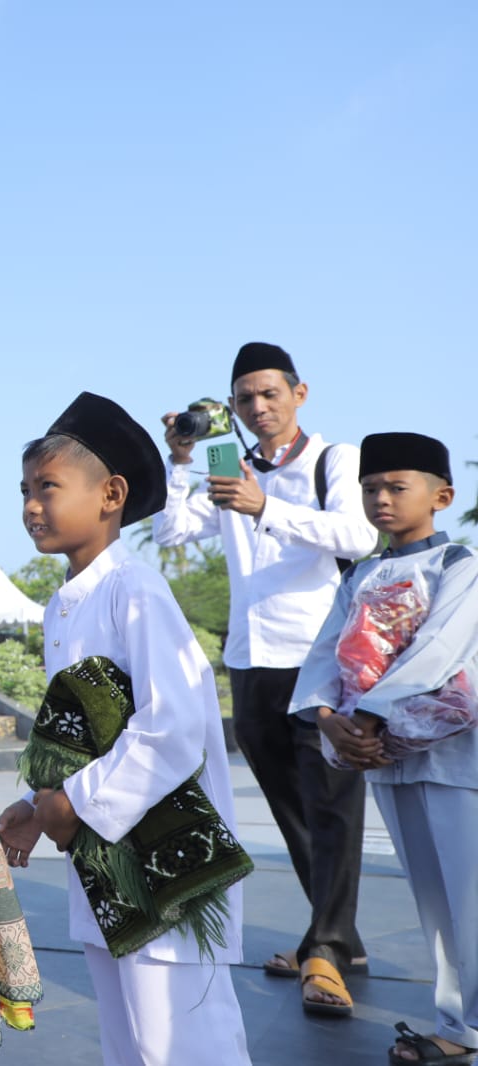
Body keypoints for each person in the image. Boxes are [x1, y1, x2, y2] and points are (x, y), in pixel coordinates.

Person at [0, 392, 252, 1066]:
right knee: (133, 1044)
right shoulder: (63, 605)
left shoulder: (132, 587)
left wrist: (74, 801)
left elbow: (175, 724)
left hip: (168, 862)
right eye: (23, 490)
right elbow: (80, 740)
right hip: (107, 864)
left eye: (47, 487)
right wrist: (35, 806)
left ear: (110, 494)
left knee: (186, 1044)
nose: (30, 504)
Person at [153, 341, 379, 1015]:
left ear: (299, 394)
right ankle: (338, 938)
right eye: (245, 398)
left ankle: (327, 951)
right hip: (251, 662)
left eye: (269, 394)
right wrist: (182, 459)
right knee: (293, 811)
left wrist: (266, 509)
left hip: (321, 661)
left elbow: (357, 536)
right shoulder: (231, 462)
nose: (258, 408)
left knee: (334, 807)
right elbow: (170, 532)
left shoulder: (334, 459)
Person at [290, 432, 478, 1064]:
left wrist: (365, 715)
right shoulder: (362, 574)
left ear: (441, 496)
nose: (381, 498)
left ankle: (466, 1025)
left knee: (470, 895)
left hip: (454, 758)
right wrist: (325, 716)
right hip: (388, 758)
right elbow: (324, 652)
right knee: (432, 899)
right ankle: (458, 1024)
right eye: (371, 488)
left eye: (397, 486)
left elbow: (439, 650)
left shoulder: (460, 563)